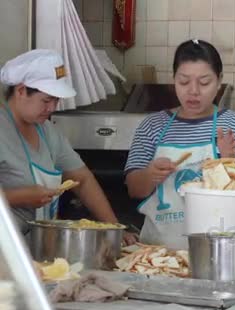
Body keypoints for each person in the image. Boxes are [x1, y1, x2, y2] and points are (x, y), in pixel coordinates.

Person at [125, 39, 235, 249]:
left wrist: (232, 162)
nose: (193, 91)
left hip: (222, 250)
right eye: (184, 82)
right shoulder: (152, 126)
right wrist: (150, 175)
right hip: (159, 250)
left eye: (204, 82)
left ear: (219, 81)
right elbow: (133, 188)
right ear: (174, 80)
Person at [0, 49, 137, 245]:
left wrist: (113, 228)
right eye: (46, 100)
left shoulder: (47, 132)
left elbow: (82, 179)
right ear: (21, 91)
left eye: (56, 100)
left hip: (38, 250)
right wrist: (20, 196)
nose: (52, 108)